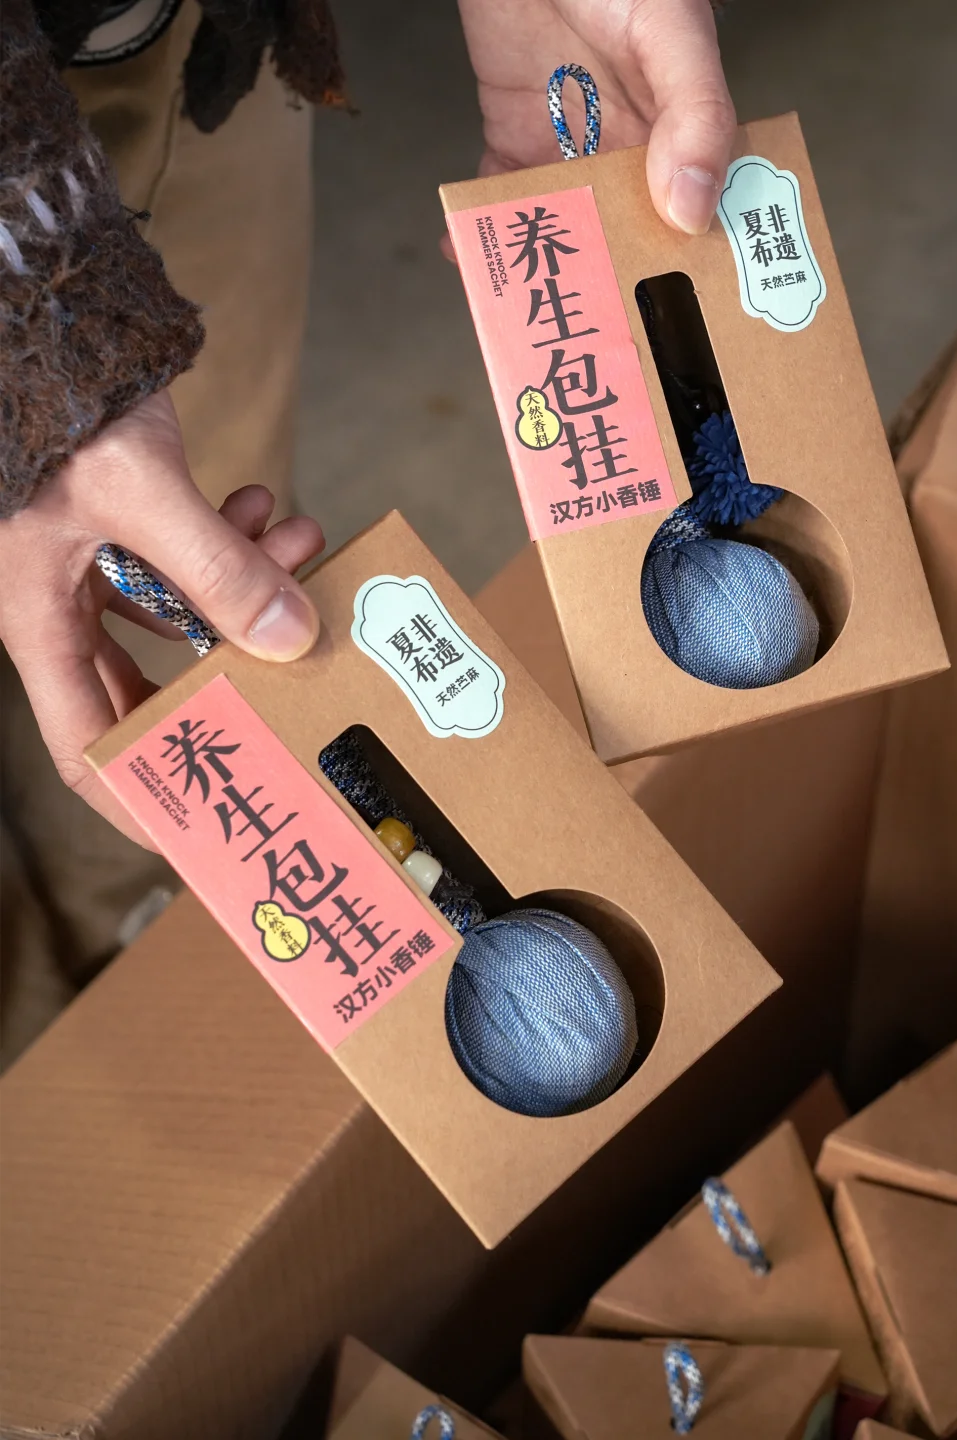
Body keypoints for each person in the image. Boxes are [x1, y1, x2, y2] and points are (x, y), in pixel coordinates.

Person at [0, 0, 736, 1059]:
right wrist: (30, 363)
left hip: (171, 44)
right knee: (115, 616)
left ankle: (133, 929)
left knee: (183, 568)